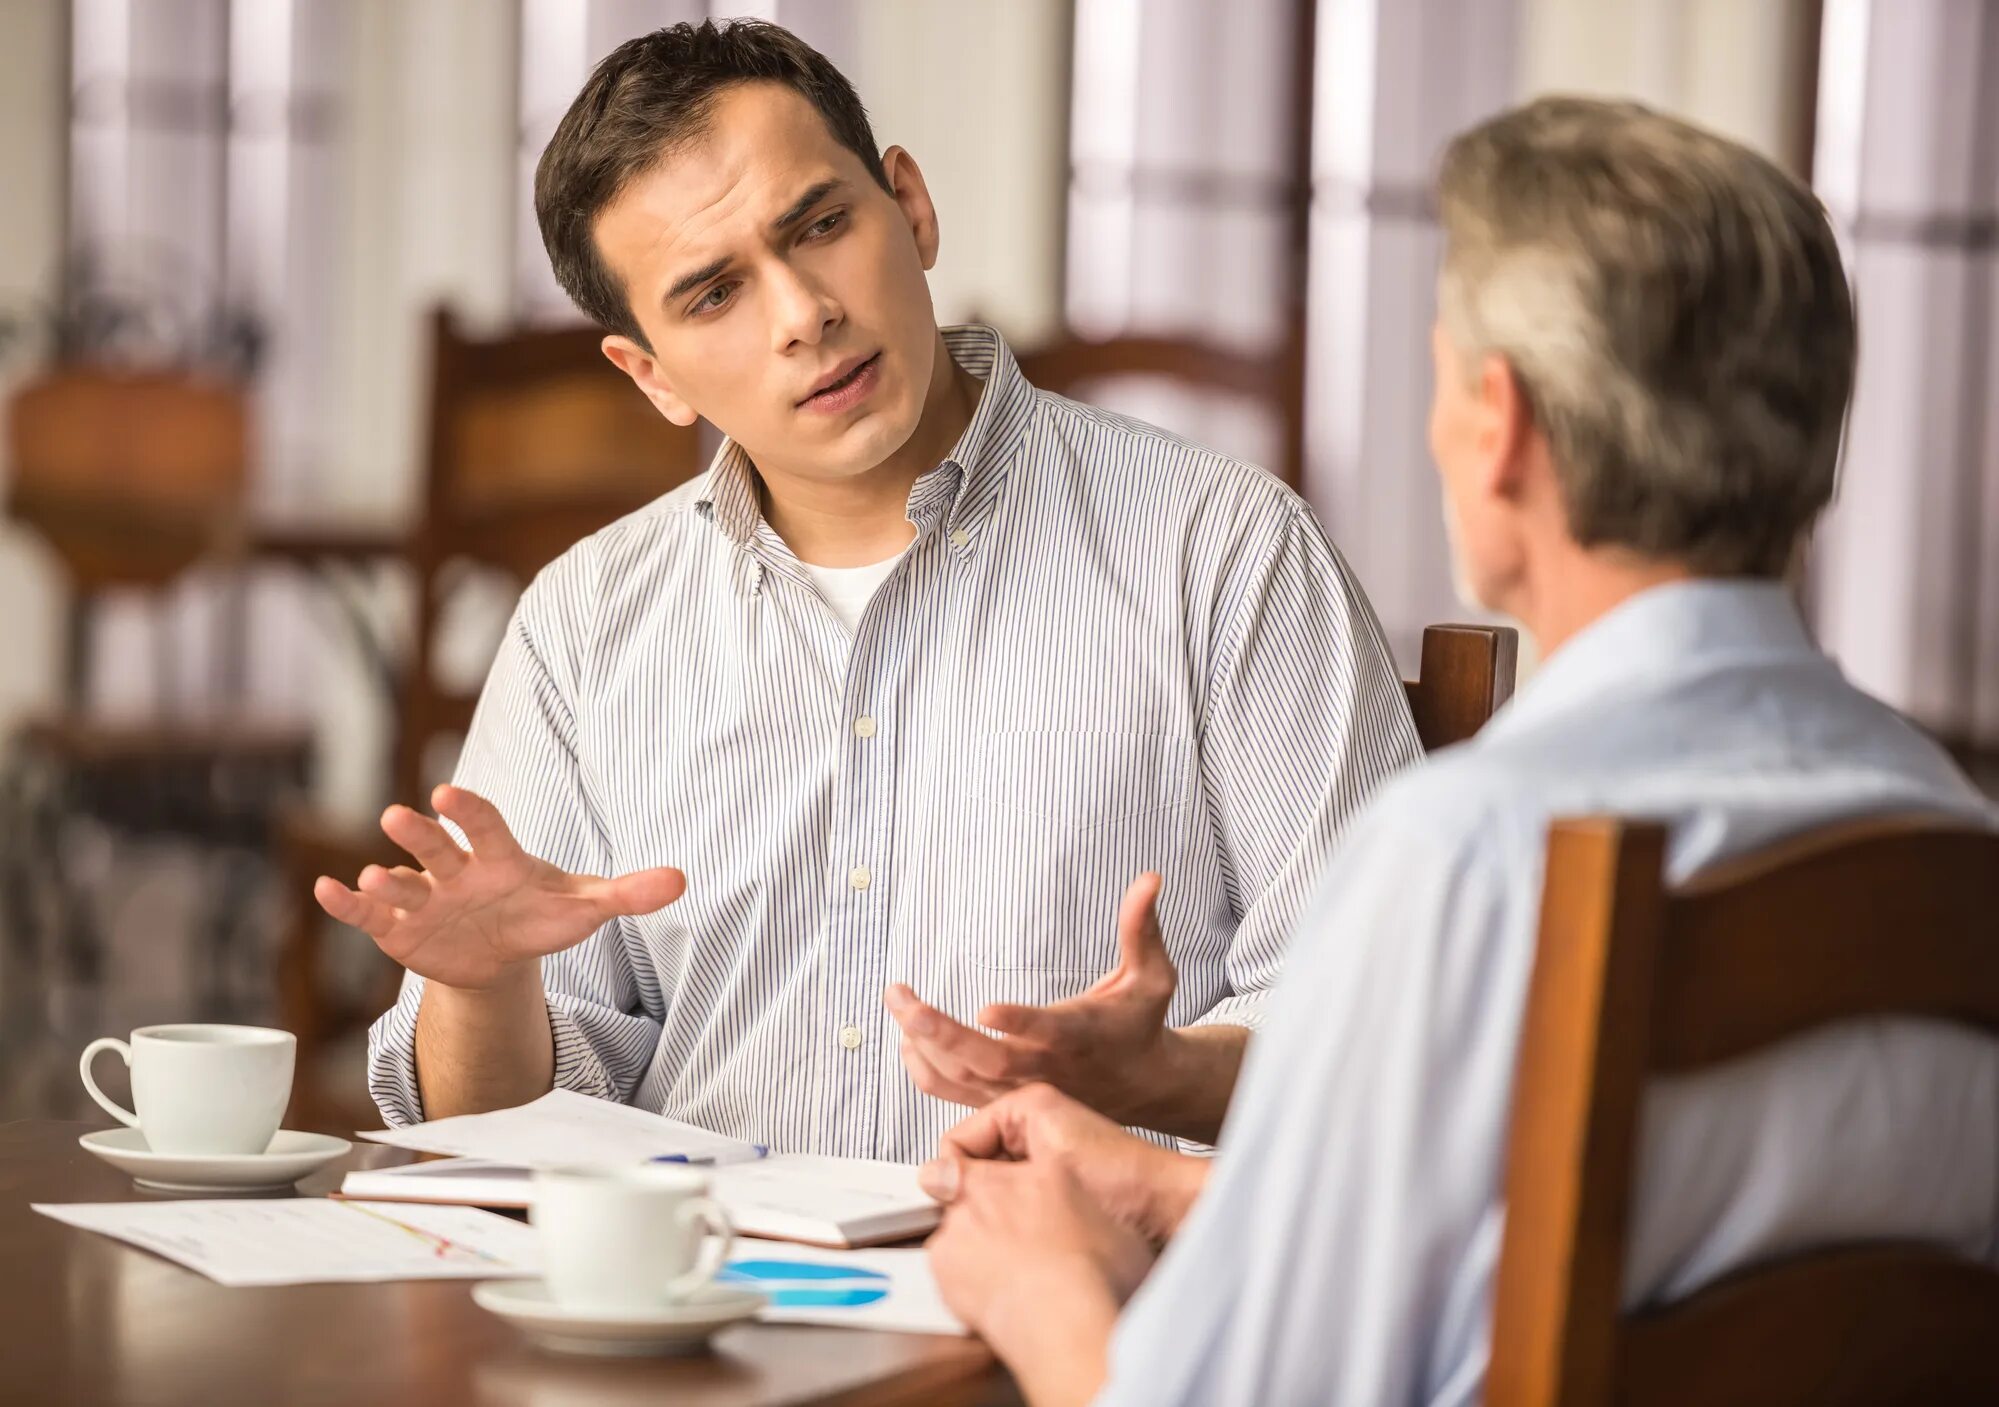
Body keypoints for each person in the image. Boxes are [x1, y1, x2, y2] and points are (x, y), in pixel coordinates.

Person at [917, 96, 1999, 1406]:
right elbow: (1599, 1260)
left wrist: (1046, 1288)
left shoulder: (1468, 855)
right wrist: (1197, 1190)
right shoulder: (1951, 836)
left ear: (1500, 427)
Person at [315, 19, 1422, 1162]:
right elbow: (500, 1137)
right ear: (649, 375)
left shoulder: (1224, 550)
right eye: (711, 296)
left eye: (822, 226)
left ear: (912, 207)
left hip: (1086, 1305)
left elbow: (1384, 1021)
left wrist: (1165, 1078)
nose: (802, 314)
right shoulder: (583, 625)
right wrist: (486, 993)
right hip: (698, 1305)